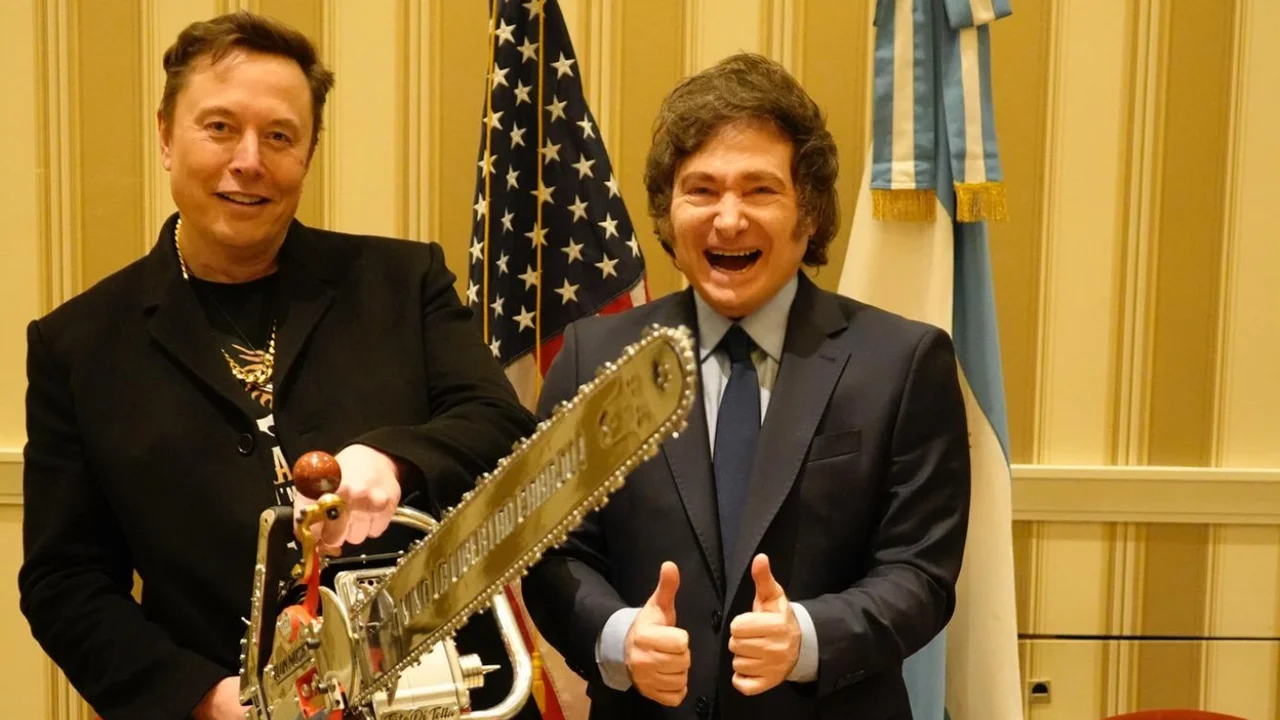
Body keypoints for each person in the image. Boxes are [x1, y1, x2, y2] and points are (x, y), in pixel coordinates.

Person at [18, 12, 539, 720]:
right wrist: (203, 700)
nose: (249, 160)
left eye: (280, 136)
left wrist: (392, 460)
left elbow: (502, 426)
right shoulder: (76, 347)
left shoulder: (403, 280)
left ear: (309, 152)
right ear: (166, 135)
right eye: (220, 127)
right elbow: (66, 582)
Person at [521, 53, 971, 719]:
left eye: (760, 190)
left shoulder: (902, 362)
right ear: (668, 214)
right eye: (701, 191)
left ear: (809, 213)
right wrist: (618, 636)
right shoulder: (594, 357)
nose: (728, 220)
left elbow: (921, 572)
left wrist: (808, 638)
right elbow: (552, 554)